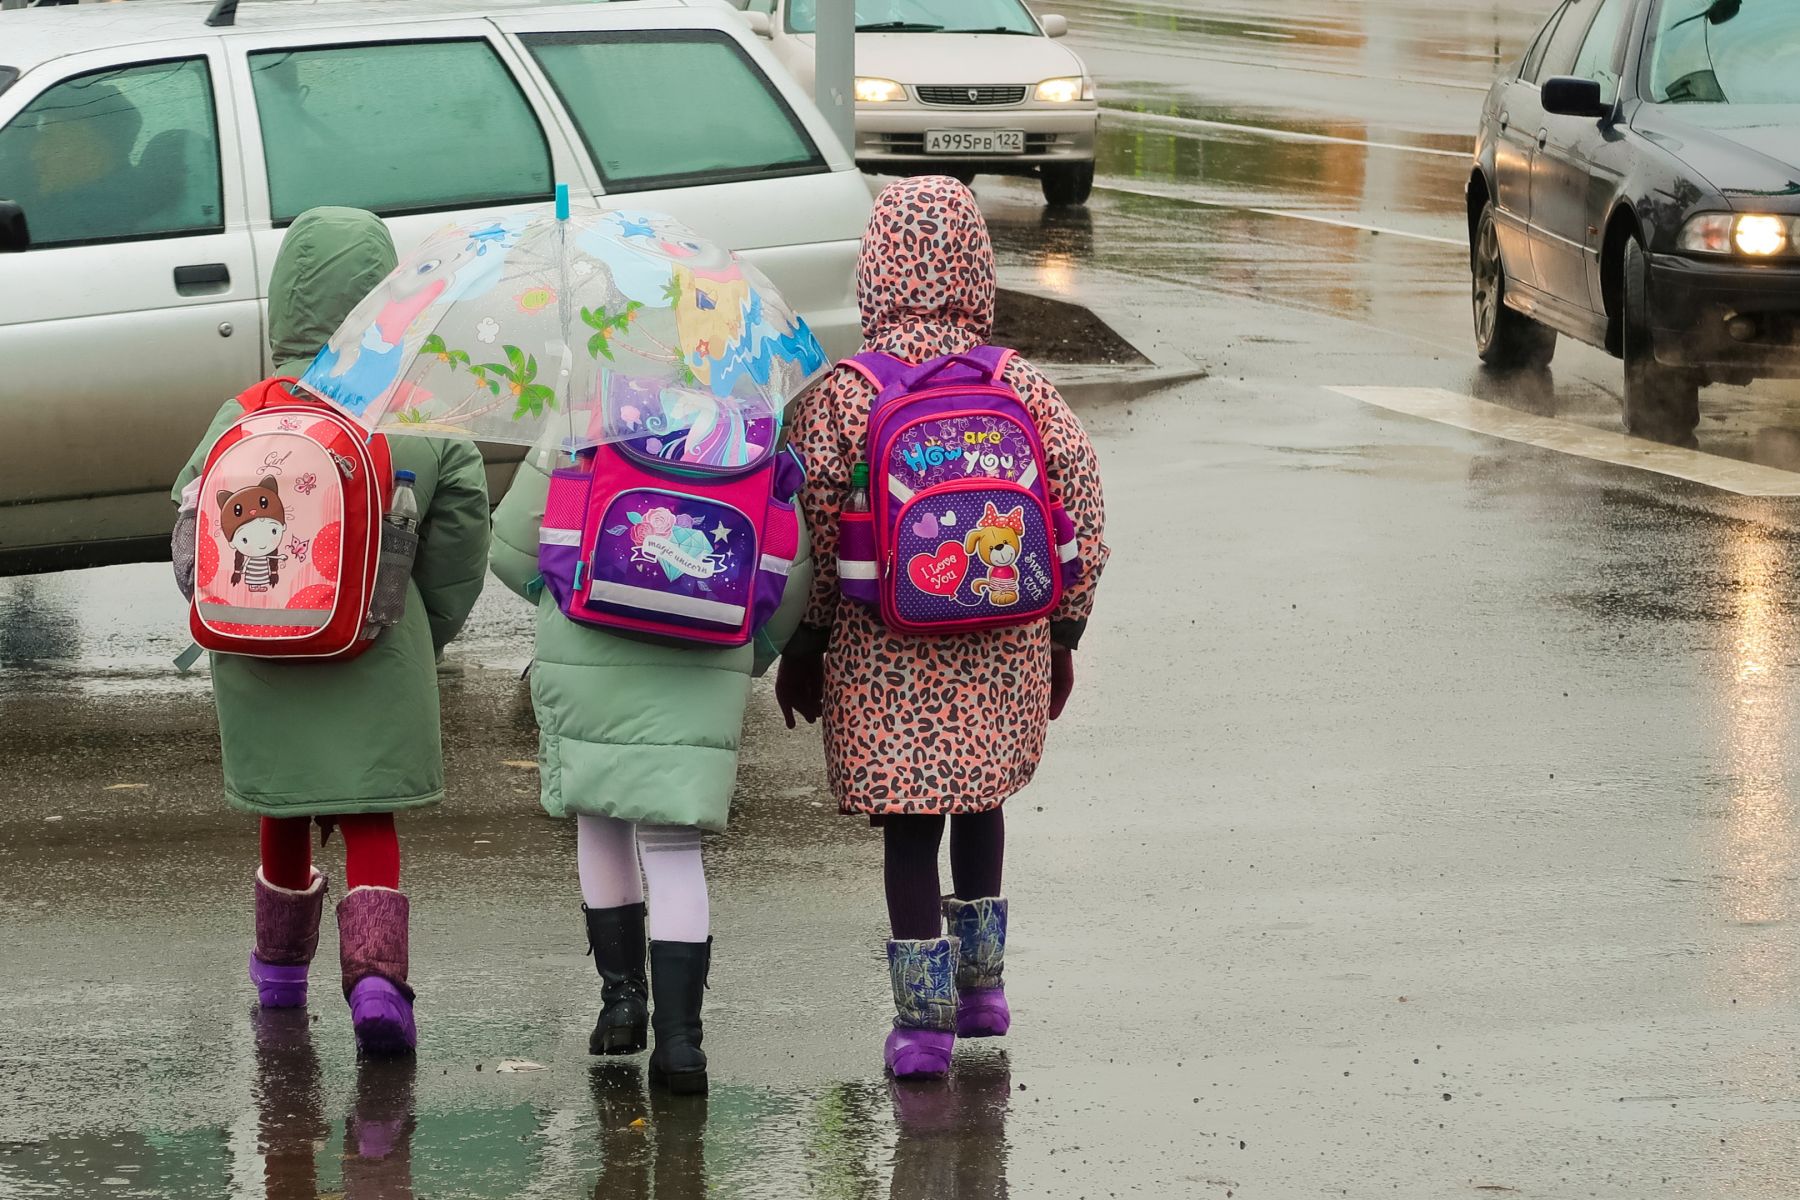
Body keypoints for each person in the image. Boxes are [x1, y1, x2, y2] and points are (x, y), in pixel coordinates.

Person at [778, 177, 1108, 1078]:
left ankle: (922, 1028)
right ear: (978, 268)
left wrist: (803, 650)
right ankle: (983, 989)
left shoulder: (843, 396)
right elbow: (1080, 504)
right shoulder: (1022, 388)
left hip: (884, 653)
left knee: (910, 827)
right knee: (981, 801)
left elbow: (809, 533)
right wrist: (1064, 635)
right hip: (1005, 642)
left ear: (874, 271)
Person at [171, 207, 491, 1054]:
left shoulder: (243, 411)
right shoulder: (420, 414)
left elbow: (188, 521)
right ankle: (379, 981)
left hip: (259, 648)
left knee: (284, 803)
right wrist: (427, 632)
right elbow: (459, 541)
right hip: (377, 646)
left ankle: (280, 978)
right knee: (368, 813)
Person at [488, 434, 813, 1095]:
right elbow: (794, 571)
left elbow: (511, 548)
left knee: (600, 819)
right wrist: (750, 654)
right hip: (708, 646)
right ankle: (681, 1045)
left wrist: (563, 598)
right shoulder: (753, 433)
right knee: (673, 844)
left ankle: (620, 1004)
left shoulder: (584, 418)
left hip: (586, 632)